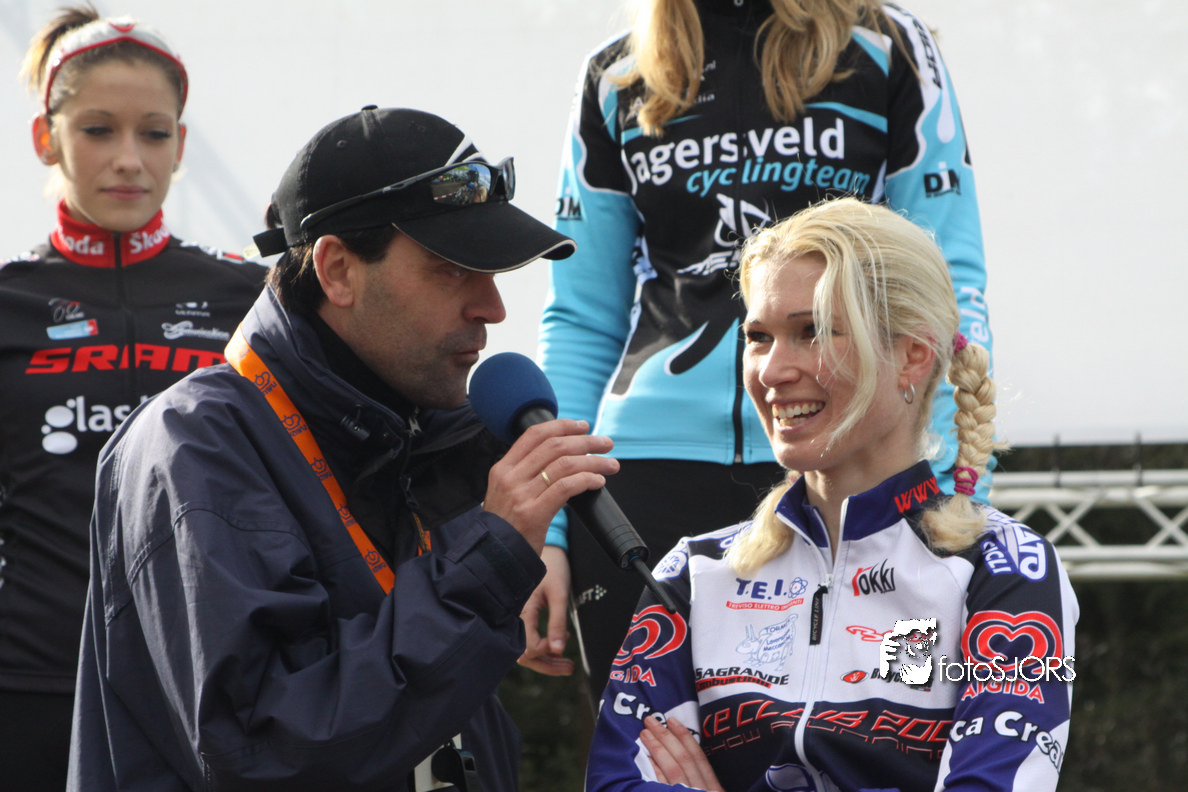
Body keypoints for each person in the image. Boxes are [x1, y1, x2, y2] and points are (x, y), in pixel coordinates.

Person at [67, 104, 617, 792]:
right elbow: (268, 749)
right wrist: (486, 569)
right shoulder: (194, 444)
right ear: (336, 270)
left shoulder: (436, 437)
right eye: (453, 269)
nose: (494, 307)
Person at [528, 0, 993, 699]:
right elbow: (580, 317)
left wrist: (956, 501)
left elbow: (947, 292)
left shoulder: (888, 45)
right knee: (652, 752)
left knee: (884, 735)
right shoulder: (617, 72)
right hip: (644, 480)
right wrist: (550, 529)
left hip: (850, 473)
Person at [584, 197, 1077, 792]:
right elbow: (617, 782)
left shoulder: (1005, 569)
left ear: (912, 356)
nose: (771, 372)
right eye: (759, 337)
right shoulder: (694, 573)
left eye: (812, 331)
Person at [0, 8, 268, 790]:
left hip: (208, 686)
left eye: (153, 134)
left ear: (181, 146)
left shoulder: (250, 298)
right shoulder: (8, 302)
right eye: (97, 130)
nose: (128, 159)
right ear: (46, 138)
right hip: (29, 685)